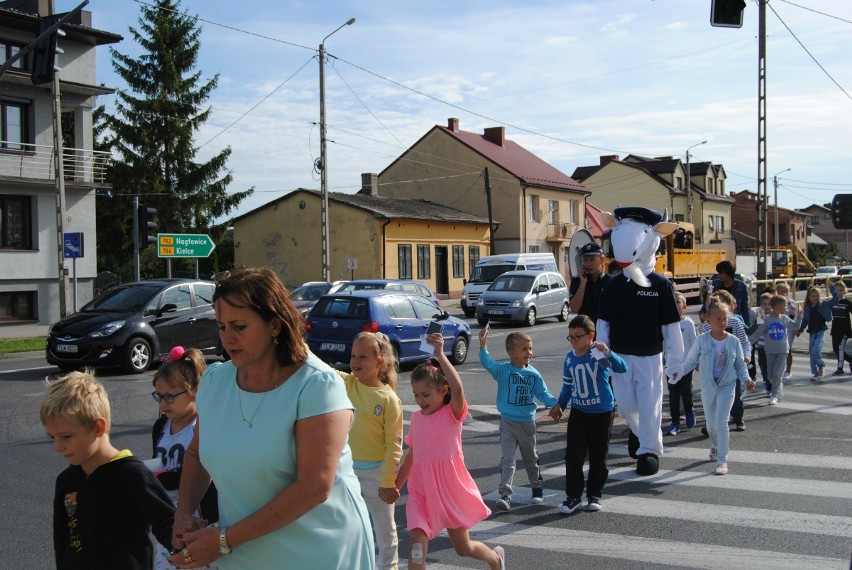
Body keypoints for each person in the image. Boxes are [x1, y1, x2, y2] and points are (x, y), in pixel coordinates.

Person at [170, 267, 374, 569]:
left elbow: (314, 487)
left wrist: (225, 539)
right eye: (222, 326)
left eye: (239, 326)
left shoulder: (317, 385)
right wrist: (183, 513)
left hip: (319, 554)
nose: (228, 338)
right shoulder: (214, 381)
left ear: (275, 326)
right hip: (240, 552)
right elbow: (198, 454)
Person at [41, 370, 175, 570]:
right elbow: (62, 542)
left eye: (66, 436)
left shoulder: (132, 475)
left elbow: (166, 521)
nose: (57, 446)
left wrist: (187, 547)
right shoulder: (67, 481)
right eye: (53, 437)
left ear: (98, 428)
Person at [396, 333, 505, 570]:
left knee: (463, 548)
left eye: (426, 394)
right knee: (416, 551)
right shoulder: (415, 418)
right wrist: (396, 484)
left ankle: (495, 559)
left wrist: (440, 355)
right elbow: (412, 454)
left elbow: (459, 389)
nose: (420, 400)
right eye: (415, 395)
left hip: (448, 490)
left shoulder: (451, 415)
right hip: (420, 492)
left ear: (442, 390)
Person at [335, 332, 404, 570]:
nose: (355, 361)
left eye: (362, 357)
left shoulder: (389, 399)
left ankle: (389, 567)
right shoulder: (346, 383)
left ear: (379, 363)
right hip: (347, 472)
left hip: (377, 475)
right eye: (353, 356)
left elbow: (394, 445)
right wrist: (296, 340)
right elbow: (319, 366)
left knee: (385, 530)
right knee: (349, 525)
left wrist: (387, 481)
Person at [549, 315, 627, 514]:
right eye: (570, 337)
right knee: (573, 455)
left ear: (591, 336)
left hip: (602, 412)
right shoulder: (570, 357)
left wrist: (608, 353)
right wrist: (560, 405)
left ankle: (594, 494)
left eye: (577, 336)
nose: (573, 341)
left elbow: (622, 368)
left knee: (598, 456)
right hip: (579, 412)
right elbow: (567, 386)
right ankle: (573, 496)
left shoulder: (597, 353)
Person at [149, 346, 218, 570]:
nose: (162, 403)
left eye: (169, 396)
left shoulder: (202, 425)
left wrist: (167, 477)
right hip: (169, 516)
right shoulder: (161, 426)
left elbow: (207, 469)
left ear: (194, 391)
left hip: (199, 517)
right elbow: (158, 462)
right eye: (159, 395)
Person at [479, 329, 559, 511]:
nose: (529, 353)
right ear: (511, 353)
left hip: (527, 424)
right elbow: (487, 363)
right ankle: (505, 494)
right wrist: (483, 346)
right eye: (524, 349)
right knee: (508, 460)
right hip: (507, 423)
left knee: (531, 459)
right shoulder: (503, 370)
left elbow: (543, 393)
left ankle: (537, 488)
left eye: (530, 349)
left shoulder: (534, 374)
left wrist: (555, 405)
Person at [678, 299, 755, 475]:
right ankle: (714, 445)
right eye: (718, 319)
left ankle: (722, 460)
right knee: (711, 426)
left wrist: (747, 380)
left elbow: (740, 365)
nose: (722, 323)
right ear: (709, 321)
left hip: (727, 385)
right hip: (709, 386)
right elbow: (691, 361)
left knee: (721, 422)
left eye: (725, 319)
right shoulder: (702, 340)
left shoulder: (733, 341)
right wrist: (679, 372)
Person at [700, 289, 750, 432]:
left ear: (729, 305)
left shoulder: (734, 322)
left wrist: (746, 355)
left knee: (735, 395)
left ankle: (738, 418)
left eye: (721, 302)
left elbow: (745, 342)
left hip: (732, 366)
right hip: (713, 367)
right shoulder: (707, 324)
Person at [748, 295, 801, 405]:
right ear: (777, 306)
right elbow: (758, 333)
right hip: (770, 351)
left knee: (777, 374)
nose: (786, 307)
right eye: (784, 305)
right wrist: (748, 343)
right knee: (770, 376)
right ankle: (778, 387)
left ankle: (774, 395)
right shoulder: (767, 320)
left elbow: (795, 326)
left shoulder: (784, 318)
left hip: (783, 350)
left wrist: (799, 317)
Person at [664, 292, 698, 436]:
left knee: (686, 390)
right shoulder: (665, 323)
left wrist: (696, 361)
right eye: (673, 301)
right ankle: (675, 422)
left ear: (684, 306)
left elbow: (695, 343)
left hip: (686, 365)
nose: (675, 304)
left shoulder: (688, 323)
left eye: (678, 302)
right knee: (673, 394)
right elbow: (664, 344)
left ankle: (689, 410)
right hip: (671, 366)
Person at [797, 281, 840, 382]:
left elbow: (835, 299)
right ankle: (815, 372)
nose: (815, 297)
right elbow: (805, 321)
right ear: (809, 297)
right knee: (812, 353)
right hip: (812, 332)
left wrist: (831, 287)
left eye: (817, 295)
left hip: (820, 331)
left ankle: (821, 366)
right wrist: (800, 330)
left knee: (816, 350)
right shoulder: (807, 308)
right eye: (813, 296)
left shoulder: (824, 305)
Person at [569, 242, 610, 323]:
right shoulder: (577, 281)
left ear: (602, 260)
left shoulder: (609, 281)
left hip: (603, 331)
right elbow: (574, 308)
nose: (588, 264)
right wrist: (582, 284)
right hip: (584, 331)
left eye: (592, 259)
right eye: (585, 260)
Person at [700, 260, 751, 325]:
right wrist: (702, 313)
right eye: (718, 273)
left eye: (721, 273)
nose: (719, 275)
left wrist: (747, 326)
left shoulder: (741, 286)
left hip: (734, 319)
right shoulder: (714, 284)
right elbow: (707, 303)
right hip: (717, 318)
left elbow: (744, 308)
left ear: (728, 273)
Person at [774, 281, 797, 379]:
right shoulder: (773, 302)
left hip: (788, 330)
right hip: (777, 329)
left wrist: (796, 328)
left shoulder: (791, 302)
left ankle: (788, 371)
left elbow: (795, 316)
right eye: (782, 291)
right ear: (777, 292)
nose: (785, 294)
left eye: (786, 291)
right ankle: (778, 370)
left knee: (788, 349)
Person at [750, 293, 773, 395]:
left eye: (769, 304)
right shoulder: (759, 313)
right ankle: (766, 379)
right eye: (764, 304)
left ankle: (770, 387)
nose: (767, 306)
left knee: (771, 367)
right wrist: (759, 318)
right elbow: (757, 328)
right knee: (763, 366)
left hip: (772, 346)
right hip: (761, 345)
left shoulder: (775, 314)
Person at [829, 280, 852, 376]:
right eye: (837, 290)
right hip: (835, 329)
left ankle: (840, 368)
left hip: (845, 330)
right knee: (835, 348)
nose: (839, 292)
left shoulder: (847, 303)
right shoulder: (833, 302)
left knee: (840, 348)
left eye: (841, 290)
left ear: (844, 291)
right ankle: (850, 360)